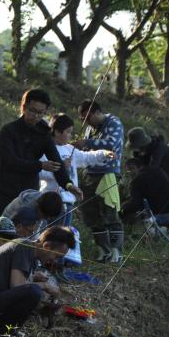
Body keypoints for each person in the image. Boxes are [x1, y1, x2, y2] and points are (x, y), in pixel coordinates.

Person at [0, 89, 82, 215]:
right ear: (23, 107)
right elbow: (10, 162)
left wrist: (68, 185)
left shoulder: (44, 133)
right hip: (7, 190)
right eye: (32, 111)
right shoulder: (8, 131)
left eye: (41, 113)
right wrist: (40, 166)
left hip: (31, 192)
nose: (36, 116)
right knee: (4, 229)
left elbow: (56, 162)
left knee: (28, 231)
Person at [40, 114, 114, 226]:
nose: (71, 135)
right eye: (68, 132)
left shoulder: (70, 149)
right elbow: (39, 173)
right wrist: (60, 167)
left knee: (61, 237)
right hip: (50, 202)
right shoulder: (44, 149)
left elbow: (87, 157)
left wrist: (104, 154)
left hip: (68, 203)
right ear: (57, 132)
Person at [74, 100, 124, 262]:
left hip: (107, 174)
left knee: (109, 212)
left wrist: (87, 142)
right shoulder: (90, 128)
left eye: (86, 117)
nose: (85, 121)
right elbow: (88, 150)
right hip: (89, 173)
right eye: (82, 118)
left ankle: (117, 252)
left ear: (96, 112)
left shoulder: (113, 123)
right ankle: (103, 250)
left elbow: (111, 144)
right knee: (91, 214)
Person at [121, 157, 169, 225]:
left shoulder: (136, 181)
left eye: (128, 171)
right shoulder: (158, 170)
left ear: (134, 168)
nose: (129, 174)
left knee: (130, 213)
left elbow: (135, 204)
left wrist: (122, 210)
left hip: (158, 217)